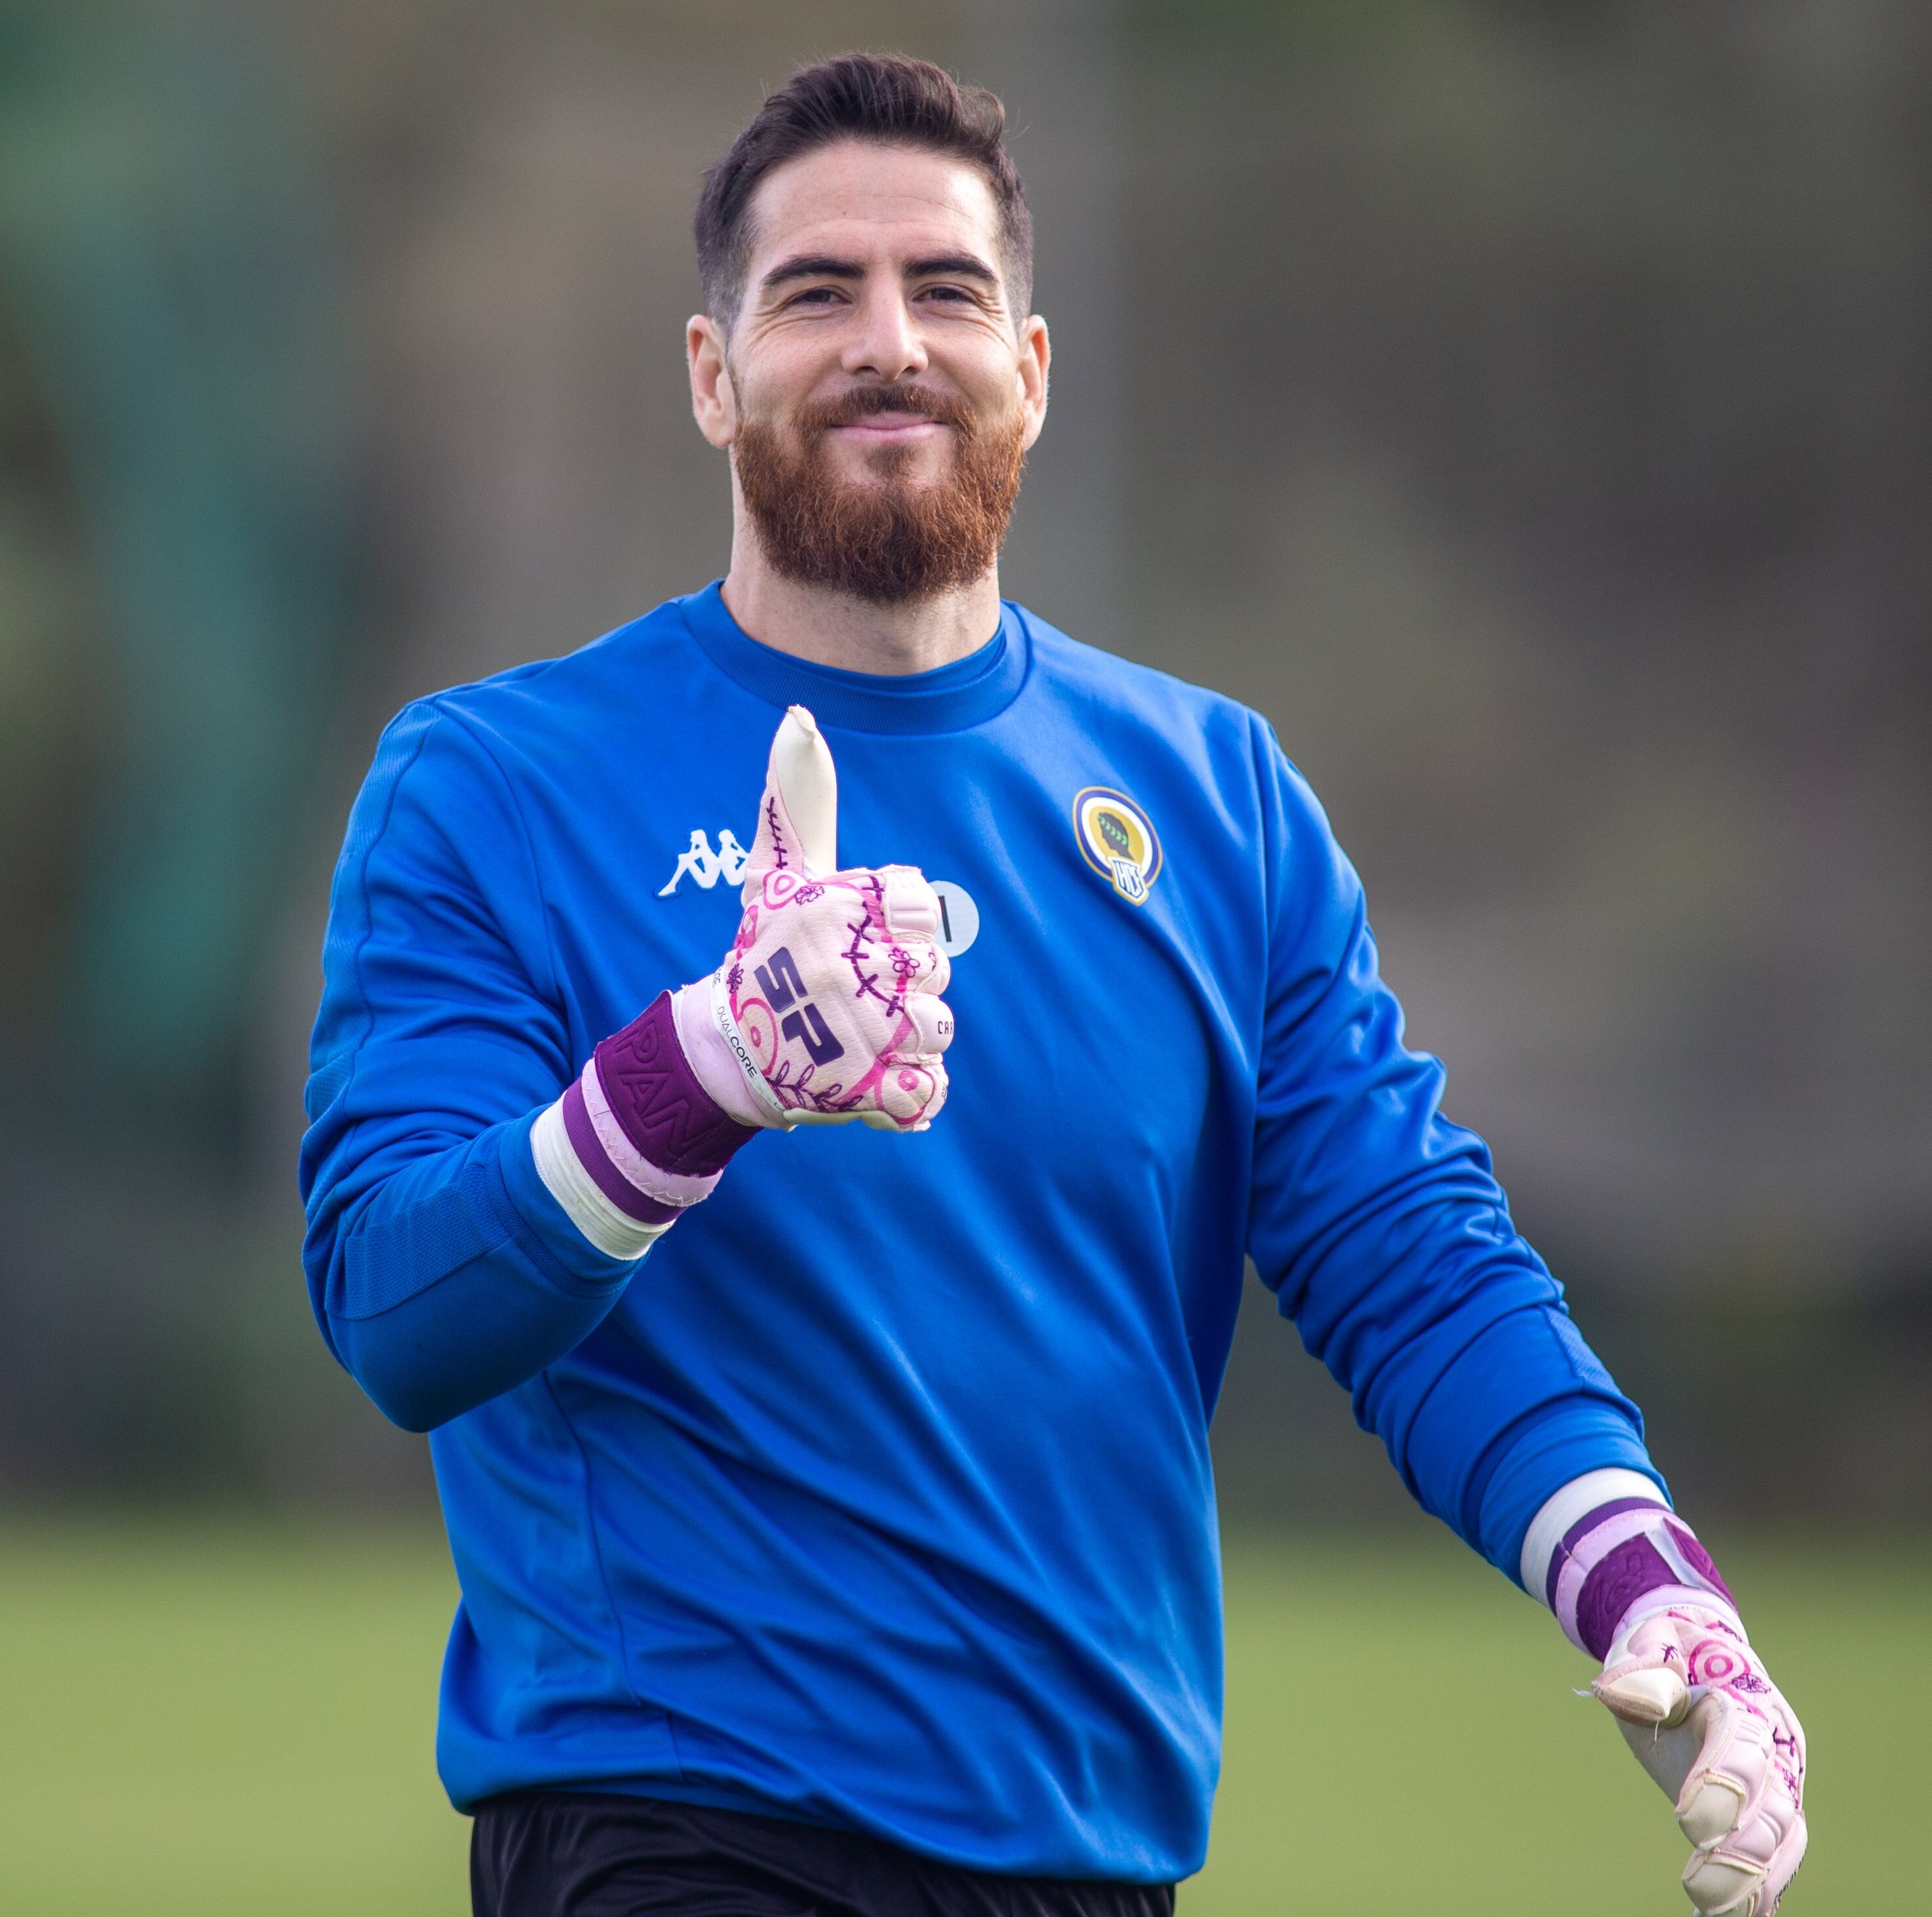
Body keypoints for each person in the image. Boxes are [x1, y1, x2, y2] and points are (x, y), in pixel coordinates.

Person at [299, 52, 1806, 1917]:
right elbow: (394, 1307)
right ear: (711, 377)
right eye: (813, 294)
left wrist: (1649, 1585)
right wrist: (705, 1065)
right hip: (673, 1825)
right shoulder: (495, 780)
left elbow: (1411, 1256)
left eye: (941, 290)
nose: (885, 341)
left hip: (1092, 1853)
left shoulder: (1213, 794)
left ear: (1029, 364)